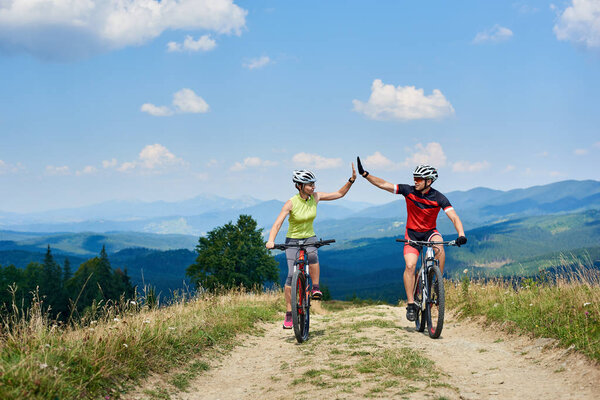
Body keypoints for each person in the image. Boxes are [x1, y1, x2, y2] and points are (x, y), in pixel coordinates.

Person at [356, 157, 467, 322]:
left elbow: (454, 217)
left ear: (429, 181)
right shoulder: (408, 191)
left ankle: (437, 282)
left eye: (418, 179)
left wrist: (461, 234)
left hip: (430, 232)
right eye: (414, 178)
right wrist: (365, 174)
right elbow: (384, 184)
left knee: (440, 248)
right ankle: (410, 304)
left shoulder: (439, 198)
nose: (415, 181)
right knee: (410, 266)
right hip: (412, 234)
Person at [266, 165, 357, 329]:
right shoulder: (291, 203)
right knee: (290, 275)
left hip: (310, 237)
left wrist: (351, 180)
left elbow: (339, 194)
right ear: (299, 186)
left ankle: (315, 288)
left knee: (313, 256)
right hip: (292, 240)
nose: (313, 187)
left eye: (313, 183)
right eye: (309, 184)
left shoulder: (316, 197)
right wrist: (271, 240)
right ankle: (289, 313)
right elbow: (278, 223)